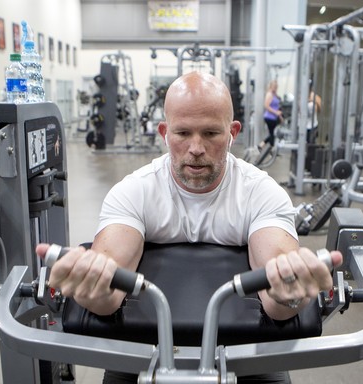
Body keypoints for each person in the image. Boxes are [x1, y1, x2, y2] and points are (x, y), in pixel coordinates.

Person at [36, 71, 342, 383]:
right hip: (143, 351)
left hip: (245, 354)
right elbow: (110, 294)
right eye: (183, 133)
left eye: (211, 133)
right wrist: (92, 289)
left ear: (233, 132)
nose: (196, 148)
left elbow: (276, 295)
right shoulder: (134, 191)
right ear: (164, 133)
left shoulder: (260, 192)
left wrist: (288, 293)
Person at [259, 79, 283, 151]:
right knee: (272, 134)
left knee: (272, 134)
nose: (275, 88)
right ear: (271, 86)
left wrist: (280, 116)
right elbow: (266, 106)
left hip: (274, 117)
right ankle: (269, 149)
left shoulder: (274, 95)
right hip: (269, 117)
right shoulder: (269, 94)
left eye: (276, 87)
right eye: (274, 86)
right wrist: (276, 113)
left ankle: (262, 145)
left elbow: (277, 108)